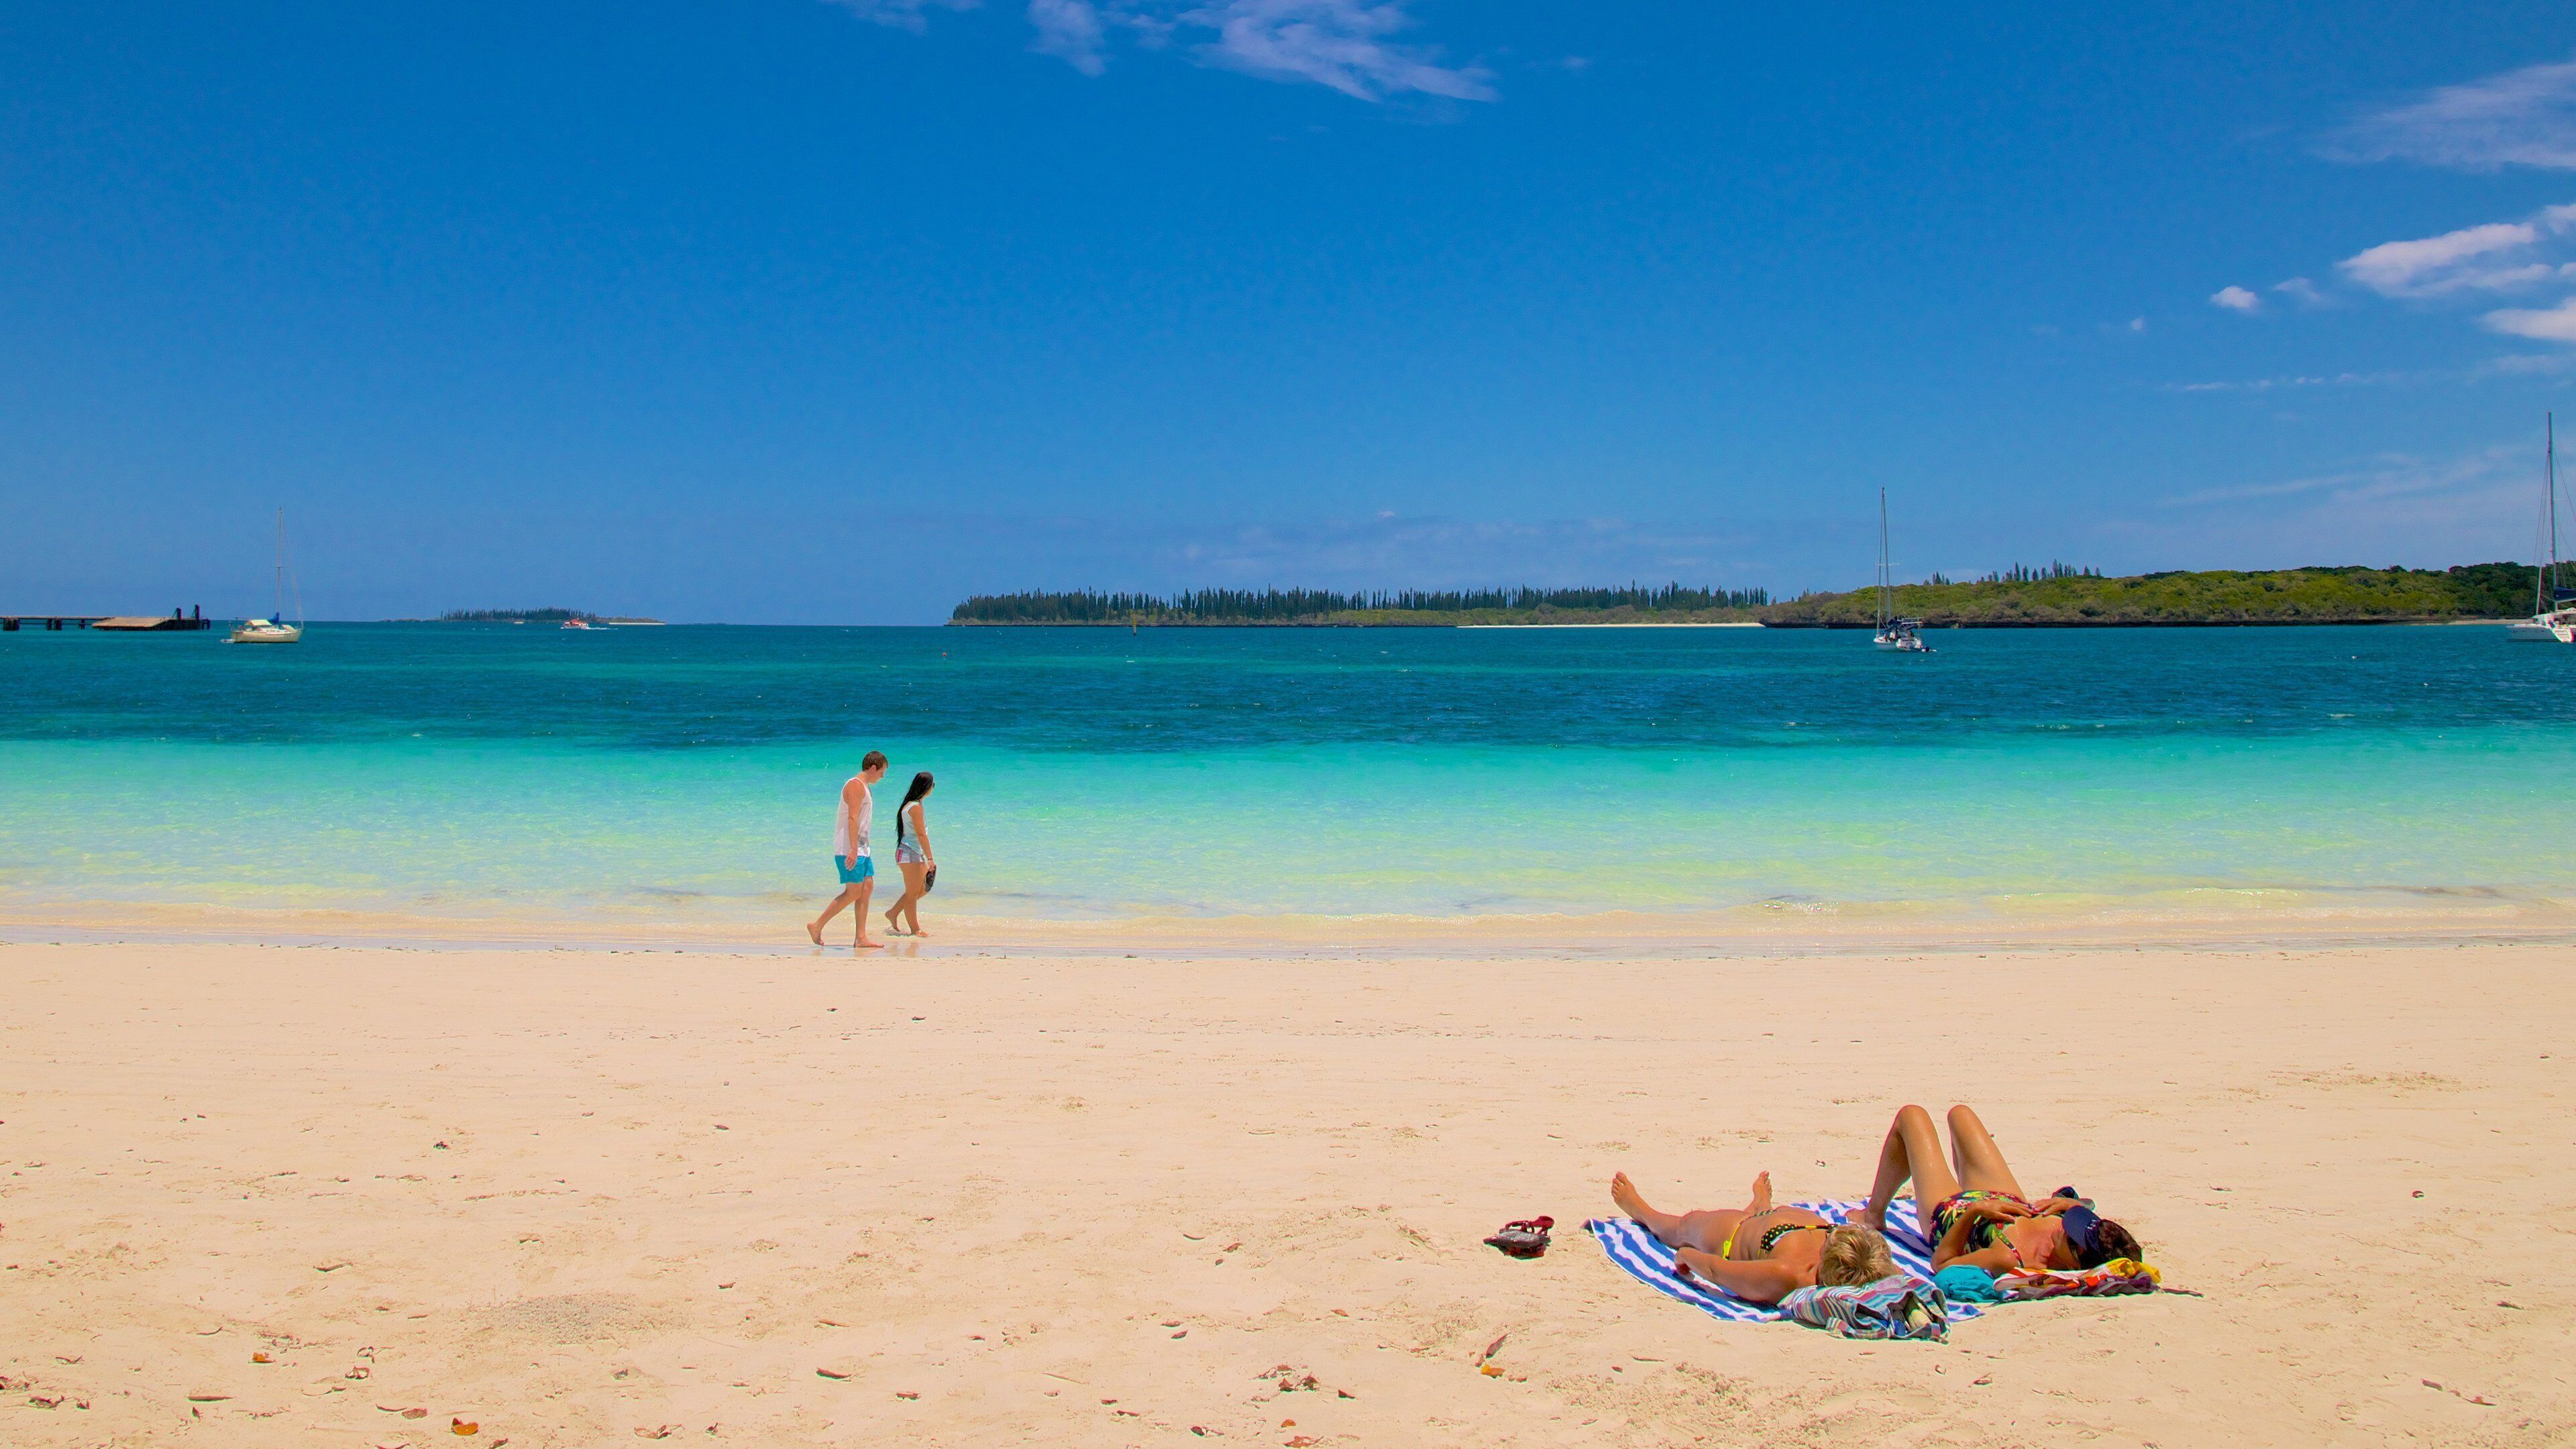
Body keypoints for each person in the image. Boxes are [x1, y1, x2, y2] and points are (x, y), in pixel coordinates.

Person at [1854, 1104, 2143, 1274]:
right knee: (1961, 1114)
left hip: (1953, 1216)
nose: (2063, 1227)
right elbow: (2090, 1225)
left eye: (2071, 1234)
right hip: (2004, 1199)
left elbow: (1942, 1263)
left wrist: (1976, 1212)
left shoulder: (2009, 1259)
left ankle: (1874, 1215)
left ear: (2078, 1259)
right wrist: (2072, 1207)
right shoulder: (2075, 1232)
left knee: (1912, 1116)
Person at [1609, 1169, 1896, 1305]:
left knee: (1684, 1227)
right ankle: (1761, 1206)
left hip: (1735, 1232)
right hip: (1774, 1230)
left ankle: (1641, 1211)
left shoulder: (1788, 1273)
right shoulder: (1865, 1259)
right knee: (1756, 1219)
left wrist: (1686, 1256)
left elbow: (1717, 1271)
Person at [807, 751, 888, 951]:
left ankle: (861, 938)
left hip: (862, 848)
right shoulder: (855, 785)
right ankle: (817, 925)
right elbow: (852, 818)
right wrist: (853, 849)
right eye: (882, 772)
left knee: (867, 887)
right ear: (873, 768)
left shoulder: (865, 787)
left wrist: (862, 847)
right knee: (853, 892)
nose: (883, 777)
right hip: (850, 849)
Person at [883, 771, 936, 938]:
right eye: (932, 785)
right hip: (909, 854)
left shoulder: (913, 805)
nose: (933, 788)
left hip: (911, 853)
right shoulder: (915, 807)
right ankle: (915, 930)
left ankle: (893, 912)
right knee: (913, 893)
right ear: (927, 787)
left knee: (922, 889)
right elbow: (921, 835)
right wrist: (930, 859)